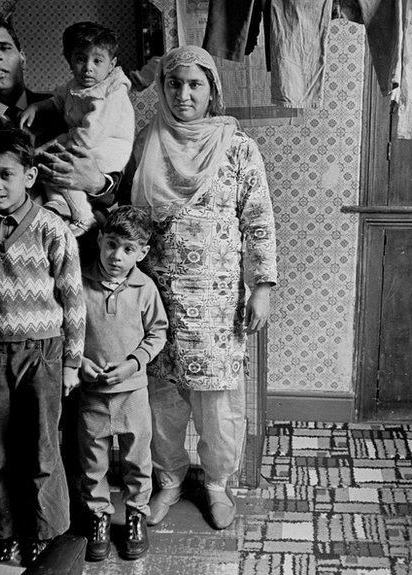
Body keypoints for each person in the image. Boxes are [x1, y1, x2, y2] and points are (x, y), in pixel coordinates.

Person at [130, 46, 277, 530]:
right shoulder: (143, 143)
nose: (184, 93)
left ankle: (218, 485)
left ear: (212, 89)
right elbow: (130, 221)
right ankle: (168, 481)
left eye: (195, 84)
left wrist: (262, 286)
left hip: (216, 303)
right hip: (156, 296)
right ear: (164, 89)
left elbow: (257, 221)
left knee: (218, 405)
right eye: (175, 84)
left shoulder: (237, 147)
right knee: (163, 401)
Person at [0, 128, 84, 566]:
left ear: (29, 176)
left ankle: (47, 533)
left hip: (42, 352)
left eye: (6, 174)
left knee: (43, 447)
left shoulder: (52, 228)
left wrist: (71, 362)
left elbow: (72, 298)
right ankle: (4, 530)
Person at [0, 14, 124, 254]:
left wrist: (97, 183)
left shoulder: (70, 107)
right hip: (4, 262)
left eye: (4, 48)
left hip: (79, 256)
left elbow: (115, 183)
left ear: (22, 59)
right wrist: (13, 169)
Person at [77, 206, 167, 561]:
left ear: (142, 253)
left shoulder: (145, 289)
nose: (117, 256)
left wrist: (133, 365)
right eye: (111, 244)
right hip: (92, 394)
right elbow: (69, 331)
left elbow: (157, 333)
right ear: (100, 240)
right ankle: (99, 515)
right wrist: (78, 361)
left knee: (137, 459)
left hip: (132, 393)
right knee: (92, 461)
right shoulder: (79, 283)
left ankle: (136, 515)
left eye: (128, 249)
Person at [19, 22, 134, 238]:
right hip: (84, 140)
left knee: (62, 166)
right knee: (50, 170)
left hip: (107, 145)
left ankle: (83, 216)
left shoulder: (111, 92)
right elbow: (58, 101)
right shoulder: (76, 86)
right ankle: (59, 203)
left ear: (112, 64)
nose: (88, 67)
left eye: (97, 61)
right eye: (81, 59)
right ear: (69, 61)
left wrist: (63, 142)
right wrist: (37, 106)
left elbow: (93, 132)